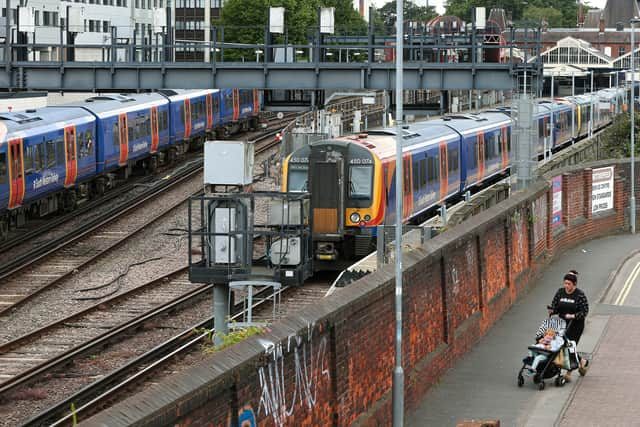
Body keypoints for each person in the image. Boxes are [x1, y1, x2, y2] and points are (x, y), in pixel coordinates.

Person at [548, 271, 589, 378]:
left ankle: (568, 373)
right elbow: (555, 305)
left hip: (575, 325)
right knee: (560, 345)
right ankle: (583, 361)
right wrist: (552, 310)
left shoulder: (580, 295)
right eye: (565, 283)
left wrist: (573, 316)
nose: (566, 286)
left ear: (574, 284)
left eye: (568, 284)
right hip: (561, 324)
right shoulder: (560, 292)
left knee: (569, 347)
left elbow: (584, 311)